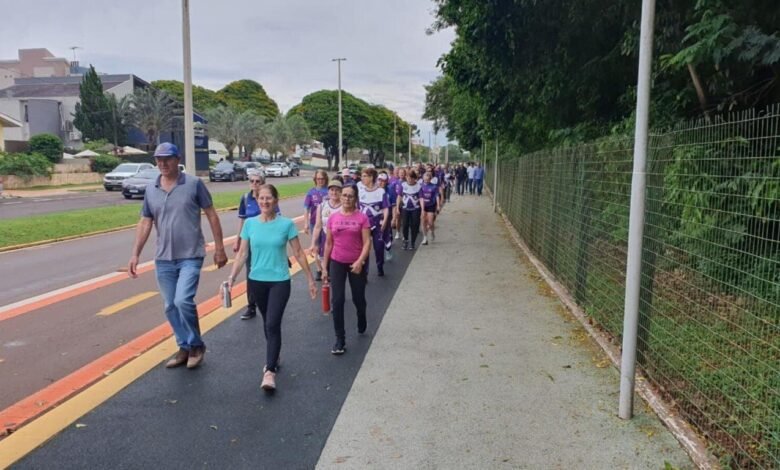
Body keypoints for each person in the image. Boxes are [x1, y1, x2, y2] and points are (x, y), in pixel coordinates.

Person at [128, 142, 227, 369]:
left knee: (183, 301)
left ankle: (196, 345)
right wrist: (135, 254)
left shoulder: (193, 184)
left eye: (167, 159)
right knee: (170, 306)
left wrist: (220, 248)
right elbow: (145, 222)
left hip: (190, 254)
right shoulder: (152, 188)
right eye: (158, 159)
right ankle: (184, 346)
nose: (162, 163)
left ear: (177, 160)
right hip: (163, 258)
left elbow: (211, 214)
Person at [225, 184, 317, 391]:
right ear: (257, 200)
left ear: (276, 200)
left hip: (279, 281)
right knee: (268, 323)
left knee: (273, 323)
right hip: (256, 281)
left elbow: (299, 253)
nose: (265, 202)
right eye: (261, 198)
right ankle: (274, 355)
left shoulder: (286, 224)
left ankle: (270, 371)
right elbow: (242, 254)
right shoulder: (250, 224)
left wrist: (310, 279)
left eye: (268, 198)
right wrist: (232, 277)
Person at [321, 184, 371, 355]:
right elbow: (328, 243)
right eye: (344, 195)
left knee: (358, 298)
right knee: (337, 300)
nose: (347, 198)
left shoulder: (362, 218)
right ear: (340, 197)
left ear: (355, 198)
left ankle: (361, 316)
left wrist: (360, 261)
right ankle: (340, 339)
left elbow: (367, 243)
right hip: (337, 262)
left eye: (350, 196)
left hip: (356, 263)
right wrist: (325, 267)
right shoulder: (333, 218)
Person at [234, 171, 278, 320]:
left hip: (266, 242)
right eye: (251, 181)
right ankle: (251, 306)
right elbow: (242, 219)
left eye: (257, 181)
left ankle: (270, 299)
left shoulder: (268, 199)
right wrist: (238, 239)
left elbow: (276, 219)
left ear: (263, 183)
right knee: (250, 273)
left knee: (267, 269)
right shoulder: (245, 198)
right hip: (250, 241)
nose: (254, 184)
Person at [357, 168, 390, 276]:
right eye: (362, 176)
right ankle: (364, 271)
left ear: (371, 177)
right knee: (364, 248)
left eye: (364, 176)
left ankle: (380, 265)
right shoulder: (360, 191)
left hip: (377, 223)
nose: (362, 178)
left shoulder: (381, 191)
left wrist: (385, 221)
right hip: (364, 225)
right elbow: (357, 209)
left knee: (379, 247)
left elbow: (385, 208)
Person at [310, 179, 343, 279]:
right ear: (328, 191)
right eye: (332, 190)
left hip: (339, 241)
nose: (334, 192)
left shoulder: (344, 206)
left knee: (336, 268)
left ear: (341, 192)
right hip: (325, 239)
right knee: (325, 265)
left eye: (337, 190)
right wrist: (313, 243)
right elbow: (318, 226)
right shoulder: (322, 205)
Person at [303, 170, 329, 281]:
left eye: (322, 179)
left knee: (327, 245)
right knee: (316, 247)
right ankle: (319, 269)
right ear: (315, 179)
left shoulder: (329, 191)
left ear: (325, 179)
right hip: (315, 223)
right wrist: (306, 223)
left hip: (327, 223)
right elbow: (306, 208)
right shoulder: (311, 192)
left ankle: (326, 267)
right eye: (318, 179)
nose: (320, 181)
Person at [399, 170, 422, 250]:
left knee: (414, 225)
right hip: (405, 208)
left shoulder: (418, 186)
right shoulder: (403, 185)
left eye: (411, 178)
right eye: (408, 177)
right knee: (405, 225)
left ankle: (413, 242)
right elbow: (399, 196)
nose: (410, 179)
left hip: (415, 209)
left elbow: (421, 198)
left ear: (414, 178)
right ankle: (405, 240)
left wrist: (422, 210)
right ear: (406, 177)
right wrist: (397, 207)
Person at [420, 171, 441, 245]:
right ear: (423, 178)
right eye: (425, 179)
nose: (426, 180)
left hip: (431, 205)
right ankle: (425, 238)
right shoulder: (421, 186)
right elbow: (421, 197)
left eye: (428, 179)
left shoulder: (434, 186)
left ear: (430, 179)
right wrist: (422, 209)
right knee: (423, 221)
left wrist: (438, 205)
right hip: (423, 205)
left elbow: (437, 196)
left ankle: (432, 231)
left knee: (430, 222)